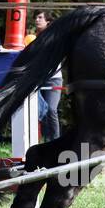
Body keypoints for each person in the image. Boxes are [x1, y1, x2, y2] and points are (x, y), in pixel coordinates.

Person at [26, 10, 61, 140]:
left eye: (40, 17)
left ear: (47, 21)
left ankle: (56, 141)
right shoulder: (31, 38)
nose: (37, 20)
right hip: (37, 78)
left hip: (53, 78)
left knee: (51, 110)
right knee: (38, 110)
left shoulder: (54, 37)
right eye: (36, 17)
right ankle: (46, 140)